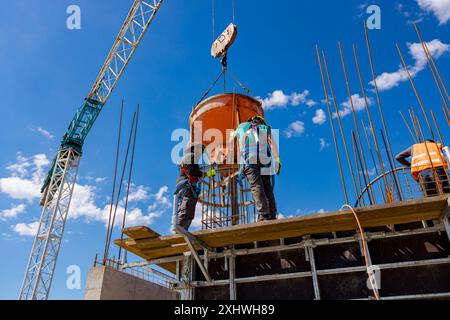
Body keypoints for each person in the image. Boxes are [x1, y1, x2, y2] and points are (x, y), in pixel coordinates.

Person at [229, 115, 281, 221]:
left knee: (256, 186)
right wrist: (277, 159)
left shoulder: (242, 126)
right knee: (268, 188)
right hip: (265, 159)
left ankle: (263, 214)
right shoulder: (265, 128)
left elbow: (231, 140)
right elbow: (271, 143)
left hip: (249, 158)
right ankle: (272, 215)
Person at [174, 142, 206, 231]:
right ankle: (180, 231)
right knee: (187, 210)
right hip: (187, 186)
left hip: (183, 186)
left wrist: (204, 174)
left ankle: (181, 230)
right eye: (200, 150)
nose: (200, 154)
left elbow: (191, 171)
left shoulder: (186, 158)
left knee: (185, 210)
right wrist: (201, 173)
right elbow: (192, 171)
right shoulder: (191, 156)